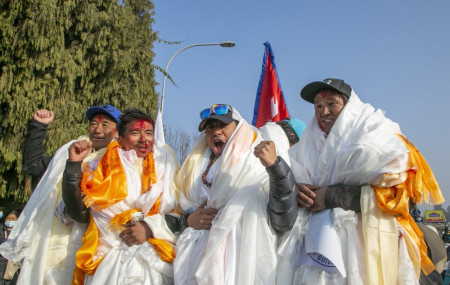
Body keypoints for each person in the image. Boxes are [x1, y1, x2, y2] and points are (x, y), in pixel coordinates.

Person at [276, 78, 444, 284]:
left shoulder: (378, 135)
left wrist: (333, 196)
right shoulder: (304, 149)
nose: (324, 112)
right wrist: (298, 192)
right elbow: (292, 182)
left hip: (367, 249)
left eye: (331, 104)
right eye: (318, 106)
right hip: (317, 252)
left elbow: (403, 198)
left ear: (349, 107)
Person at [0, 105, 121, 285]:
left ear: (118, 132)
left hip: (86, 248)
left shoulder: (119, 163)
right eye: (93, 123)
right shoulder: (71, 152)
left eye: (105, 125)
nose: (97, 129)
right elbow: (32, 166)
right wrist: (38, 127)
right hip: (48, 243)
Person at [64, 108, 179, 284]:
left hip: (154, 259)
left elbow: (177, 213)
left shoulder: (165, 164)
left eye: (148, 133)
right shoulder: (99, 165)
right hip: (108, 256)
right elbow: (78, 213)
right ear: (121, 138)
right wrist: (73, 166)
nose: (143, 139)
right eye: (135, 133)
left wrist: (148, 227)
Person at [173, 104, 279, 284]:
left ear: (238, 129)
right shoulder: (194, 169)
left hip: (241, 249)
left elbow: (279, 209)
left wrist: (277, 168)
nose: (216, 132)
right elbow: (179, 206)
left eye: (222, 126)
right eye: (210, 128)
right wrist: (188, 221)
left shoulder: (255, 163)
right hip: (196, 253)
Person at [0, 209, 21, 285]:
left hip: (12, 265)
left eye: (13, 219)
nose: (10, 220)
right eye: (8, 218)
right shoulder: (1, 229)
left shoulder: (20, 232)